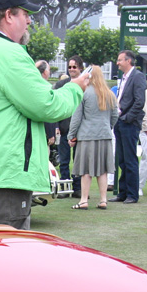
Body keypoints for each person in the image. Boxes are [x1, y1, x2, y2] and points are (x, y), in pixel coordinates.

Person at [0, 0, 87, 228]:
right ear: (8, 16)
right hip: (6, 173)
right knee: (5, 256)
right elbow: (47, 105)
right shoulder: (9, 53)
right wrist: (75, 88)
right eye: (25, 15)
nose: (29, 21)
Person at [67, 66, 117, 211]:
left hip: (87, 136)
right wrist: (108, 127)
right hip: (105, 135)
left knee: (86, 170)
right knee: (102, 170)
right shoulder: (109, 94)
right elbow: (115, 116)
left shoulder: (84, 93)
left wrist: (71, 135)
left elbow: (77, 117)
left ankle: (83, 200)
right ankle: (103, 200)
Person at [109, 49, 144, 204]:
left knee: (130, 160)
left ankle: (132, 194)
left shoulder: (138, 77)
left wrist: (127, 118)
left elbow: (139, 101)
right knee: (122, 160)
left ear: (128, 61)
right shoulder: (124, 78)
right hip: (120, 122)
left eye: (120, 60)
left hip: (129, 124)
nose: (117, 63)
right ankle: (123, 193)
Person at [54, 55, 84, 196]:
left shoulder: (85, 84)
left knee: (78, 161)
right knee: (64, 160)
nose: (72, 69)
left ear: (80, 68)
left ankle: (78, 189)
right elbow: (55, 106)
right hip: (64, 128)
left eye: (74, 67)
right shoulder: (61, 85)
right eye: (70, 67)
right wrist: (56, 126)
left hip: (81, 129)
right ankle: (65, 188)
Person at [35, 60, 59, 174]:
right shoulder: (45, 88)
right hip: (42, 132)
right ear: (45, 72)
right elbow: (47, 112)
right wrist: (50, 134)